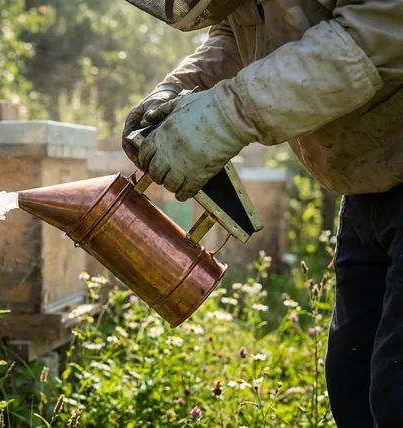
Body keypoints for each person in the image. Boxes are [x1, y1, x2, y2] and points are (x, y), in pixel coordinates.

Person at [119, 0, 403, 426]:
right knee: (352, 382)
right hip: (365, 185)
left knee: (396, 393)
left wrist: (227, 114)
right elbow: (242, 36)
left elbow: (379, 34)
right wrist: (180, 87)